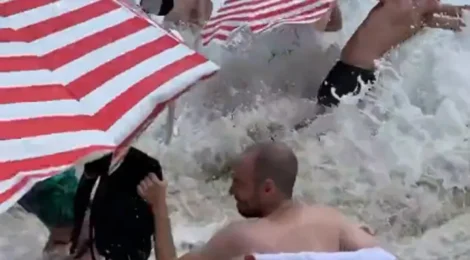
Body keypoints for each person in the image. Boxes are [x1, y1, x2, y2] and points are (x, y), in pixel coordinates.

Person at [138, 142, 379, 260]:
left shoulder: (242, 237)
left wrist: (159, 206)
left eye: (239, 183)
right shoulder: (333, 221)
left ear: (267, 188)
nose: (231, 191)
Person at [317, 0, 469, 107]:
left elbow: (455, 16)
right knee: (326, 129)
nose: (438, 1)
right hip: (359, 76)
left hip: (353, 74)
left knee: (322, 126)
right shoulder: (414, 12)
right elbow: (452, 14)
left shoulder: (413, 13)